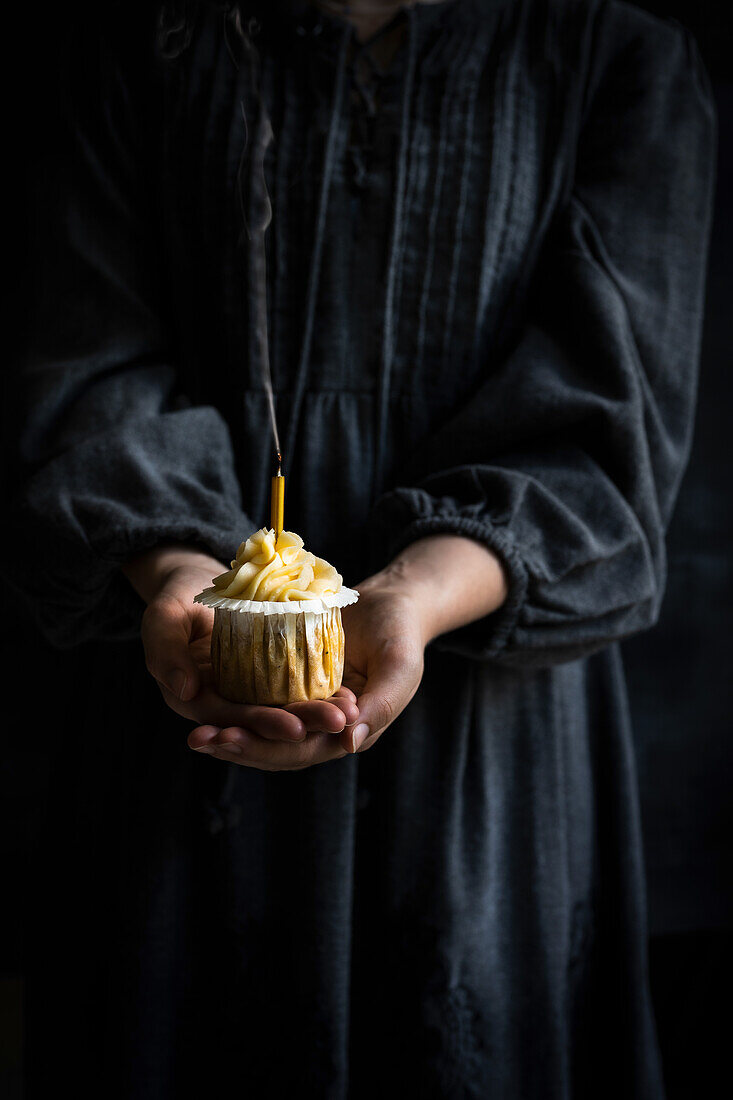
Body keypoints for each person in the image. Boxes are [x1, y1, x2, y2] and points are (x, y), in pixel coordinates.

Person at [9, 0, 714, 1096]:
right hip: (165, 700)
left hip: (488, 717)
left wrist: (412, 597)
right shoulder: (127, 41)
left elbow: (608, 428)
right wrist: (187, 580)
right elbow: (82, 359)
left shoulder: (614, 49)